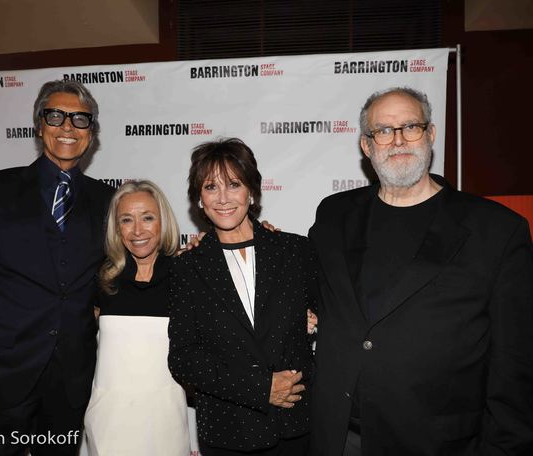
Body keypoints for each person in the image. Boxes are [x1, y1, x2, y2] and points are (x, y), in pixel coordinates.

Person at [309, 87, 533, 455]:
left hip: (436, 443)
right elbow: (307, 290)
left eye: (410, 126)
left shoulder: (497, 231)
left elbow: (516, 367)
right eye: (383, 130)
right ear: (367, 146)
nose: (397, 140)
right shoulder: (333, 216)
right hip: (337, 438)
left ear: (430, 135)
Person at [0, 80, 114, 455]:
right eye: (56, 116)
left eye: (80, 120)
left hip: (70, 385)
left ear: (92, 134)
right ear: (39, 125)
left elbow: (128, 272)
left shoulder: (108, 201)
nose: (68, 127)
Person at [168, 138, 318, 456]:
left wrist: (314, 322)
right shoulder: (187, 267)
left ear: (251, 192)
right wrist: (261, 388)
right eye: (210, 187)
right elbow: (183, 359)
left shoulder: (295, 251)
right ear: (199, 199)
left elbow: (337, 320)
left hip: (296, 430)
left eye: (234, 184)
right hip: (228, 434)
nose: (223, 198)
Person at [84, 180, 190, 455]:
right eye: (126, 220)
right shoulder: (102, 278)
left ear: (163, 222)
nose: (138, 230)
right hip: (109, 422)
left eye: (148, 218)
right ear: (117, 228)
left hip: (166, 423)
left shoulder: (186, 276)